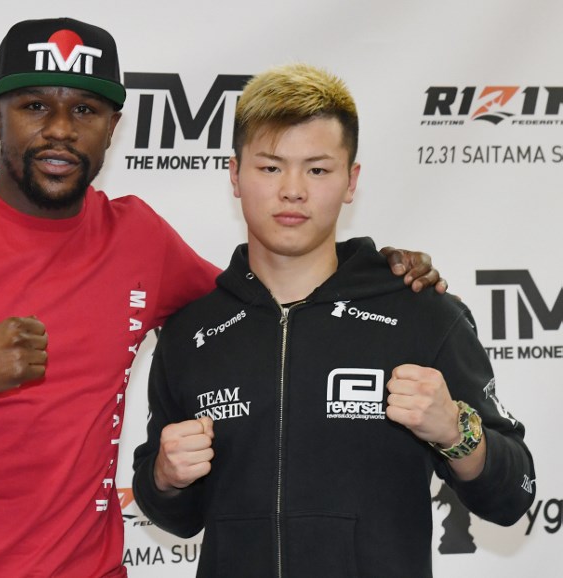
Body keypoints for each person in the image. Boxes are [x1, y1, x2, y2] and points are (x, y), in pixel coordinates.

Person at [0, 18, 444, 578]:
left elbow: (261, 294)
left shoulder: (138, 238)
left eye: (86, 111)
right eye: (35, 105)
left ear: (113, 128)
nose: (60, 131)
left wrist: (378, 269)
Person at [132, 63, 535, 577]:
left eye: (318, 169)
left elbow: (513, 495)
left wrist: (457, 431)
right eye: (270, 167)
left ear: (351, 181)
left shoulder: (422, 313)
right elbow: (174, 514)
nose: (293, 190)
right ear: (235, 175)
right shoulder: (191, 330)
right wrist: (166, 476)